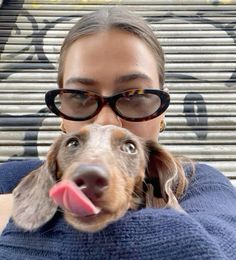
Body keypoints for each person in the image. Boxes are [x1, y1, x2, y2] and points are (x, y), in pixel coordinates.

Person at [0, 6, 236, 260]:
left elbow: (202, 252)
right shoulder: (13, 174)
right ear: (61, 112)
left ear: (162, 110)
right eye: (79, 96)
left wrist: (9, 215)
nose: (105, 121)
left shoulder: (202, 185)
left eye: (136, 96)